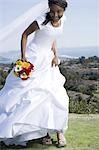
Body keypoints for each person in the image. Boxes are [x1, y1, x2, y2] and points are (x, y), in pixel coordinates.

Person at [0, 0, 69, 148]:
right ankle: (43, 133)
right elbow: (24, 35)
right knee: (32, 97)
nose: (55, 15)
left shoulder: (63, 20)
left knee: (57, 95)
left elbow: (53, 38)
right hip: (34, 59)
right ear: (48, 9)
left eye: (59, 12)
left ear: (64, 9)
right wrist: (24, 57)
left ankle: (59, 132)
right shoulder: (41, 21)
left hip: (49, 62)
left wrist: (56, 55)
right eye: (52, 11)